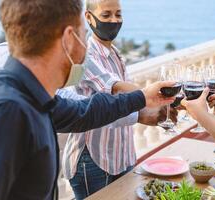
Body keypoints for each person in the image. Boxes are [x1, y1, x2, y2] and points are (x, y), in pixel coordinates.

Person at [0, 0, 176, 199]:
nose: (87, 45)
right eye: (84, 35)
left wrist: (143, 97)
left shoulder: (32, 95)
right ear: (70, 38)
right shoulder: (8, 110)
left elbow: (84, 112)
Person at [62, 0, 177, 198]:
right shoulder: (85, 54)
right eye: (106, 15)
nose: (114, 20)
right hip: (93, 160)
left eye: (118, 14)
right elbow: (114, 88)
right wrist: (158, 96)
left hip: (122, 157)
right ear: (89, 17)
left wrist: (158, 108)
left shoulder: (115, 54)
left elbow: (129, 103)